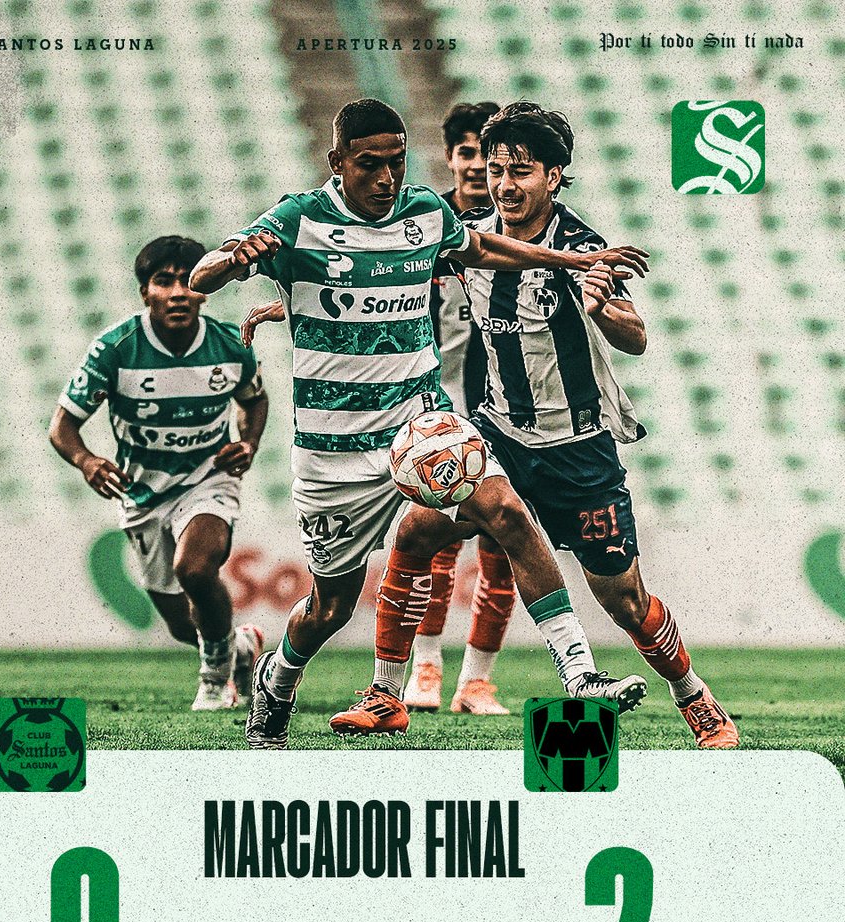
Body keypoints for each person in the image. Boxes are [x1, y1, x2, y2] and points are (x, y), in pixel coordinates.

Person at [190, 98, 650, 749]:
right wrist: (238, 258)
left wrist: (571, 262)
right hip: (332, 454)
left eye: (397, 162)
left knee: (508, 514)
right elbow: (203, 275)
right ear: (337, 162)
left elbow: (481, 248)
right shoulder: (297, 219)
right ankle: (278, 676)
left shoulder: (425, 212)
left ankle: (579, 674)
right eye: (369, 164)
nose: (386, 178)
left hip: (421, 431)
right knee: (330, 606)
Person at [340, 102, 738, 749]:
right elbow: (388, 272)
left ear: (554, 176)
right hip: (498, 437)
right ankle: (387, 694)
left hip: (578, 452)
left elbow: (635, 337)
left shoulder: (581, 249)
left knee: (625, 600)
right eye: (497, 169)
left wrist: (604, 310)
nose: (503, 184)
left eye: (520, 171)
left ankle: (694, 696)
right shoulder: (471, 239)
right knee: (414, 533)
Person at [49, 235, 267, 710]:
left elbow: (254, 400)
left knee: (195, 568)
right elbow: (62, 426)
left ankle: (215, 681)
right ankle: (240, 647)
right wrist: (87, 460)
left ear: (204, 290)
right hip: (143, 491)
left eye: (188, 281)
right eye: (163, 282)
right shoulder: (115, 349)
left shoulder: (230, 345)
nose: (178, 293)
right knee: (179, 622)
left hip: (208, 478)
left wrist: (247, 442)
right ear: (145, 292)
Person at [404, 100, 516, 717]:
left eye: (488, 155)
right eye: (466, 153)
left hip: (507, 412)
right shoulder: (424, 226)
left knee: (502, 548)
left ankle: (477, 683)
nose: (477, 166)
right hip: (440, 410)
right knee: (438, 545)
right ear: (449, 158)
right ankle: (425, 670)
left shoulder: (522, 229)